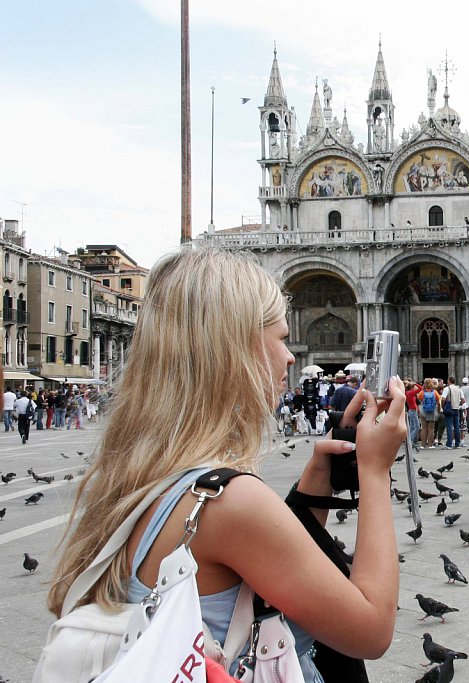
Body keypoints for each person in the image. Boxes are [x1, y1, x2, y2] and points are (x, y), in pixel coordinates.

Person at [44, 248, 407, 681]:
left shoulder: (145, 477)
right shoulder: (230, 502)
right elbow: (371, 631)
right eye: (281, 338)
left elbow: (258, 570)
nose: (291, 357)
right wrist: (375, 469)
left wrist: (315, 484)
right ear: (237, 349)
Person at [441, 377, 464, 448]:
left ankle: (449, 444)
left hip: (449, 409)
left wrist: (443, 405)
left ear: (449, 381)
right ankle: (457, 443)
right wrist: (458, 404)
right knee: (457, 427)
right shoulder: (459, 389)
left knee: (449, 427)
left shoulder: (447, 389)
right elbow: (463, 400)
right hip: (456, 409)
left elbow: (443, 399)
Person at [417, 378, 441, 448]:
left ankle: (423, 445)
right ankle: (430, 445)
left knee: (424, 428)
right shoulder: (435, 392)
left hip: (423, 411)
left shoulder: (422, 392)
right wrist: (438, 410)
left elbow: (418, 400)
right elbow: (438, 402)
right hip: (432, 411)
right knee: (431, 429)